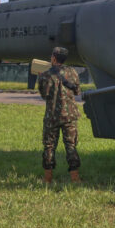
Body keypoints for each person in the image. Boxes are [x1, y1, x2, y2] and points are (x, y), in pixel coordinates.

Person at [38, 46, 82, 183]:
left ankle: (48, 178)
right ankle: (75, 178)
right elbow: (77, 91)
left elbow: (44, 95)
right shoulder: (72, 72)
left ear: (54, 58)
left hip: (52, 116)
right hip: (70, 116)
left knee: (49, 146)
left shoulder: (45, 75)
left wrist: (40, 79)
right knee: (71, 145)